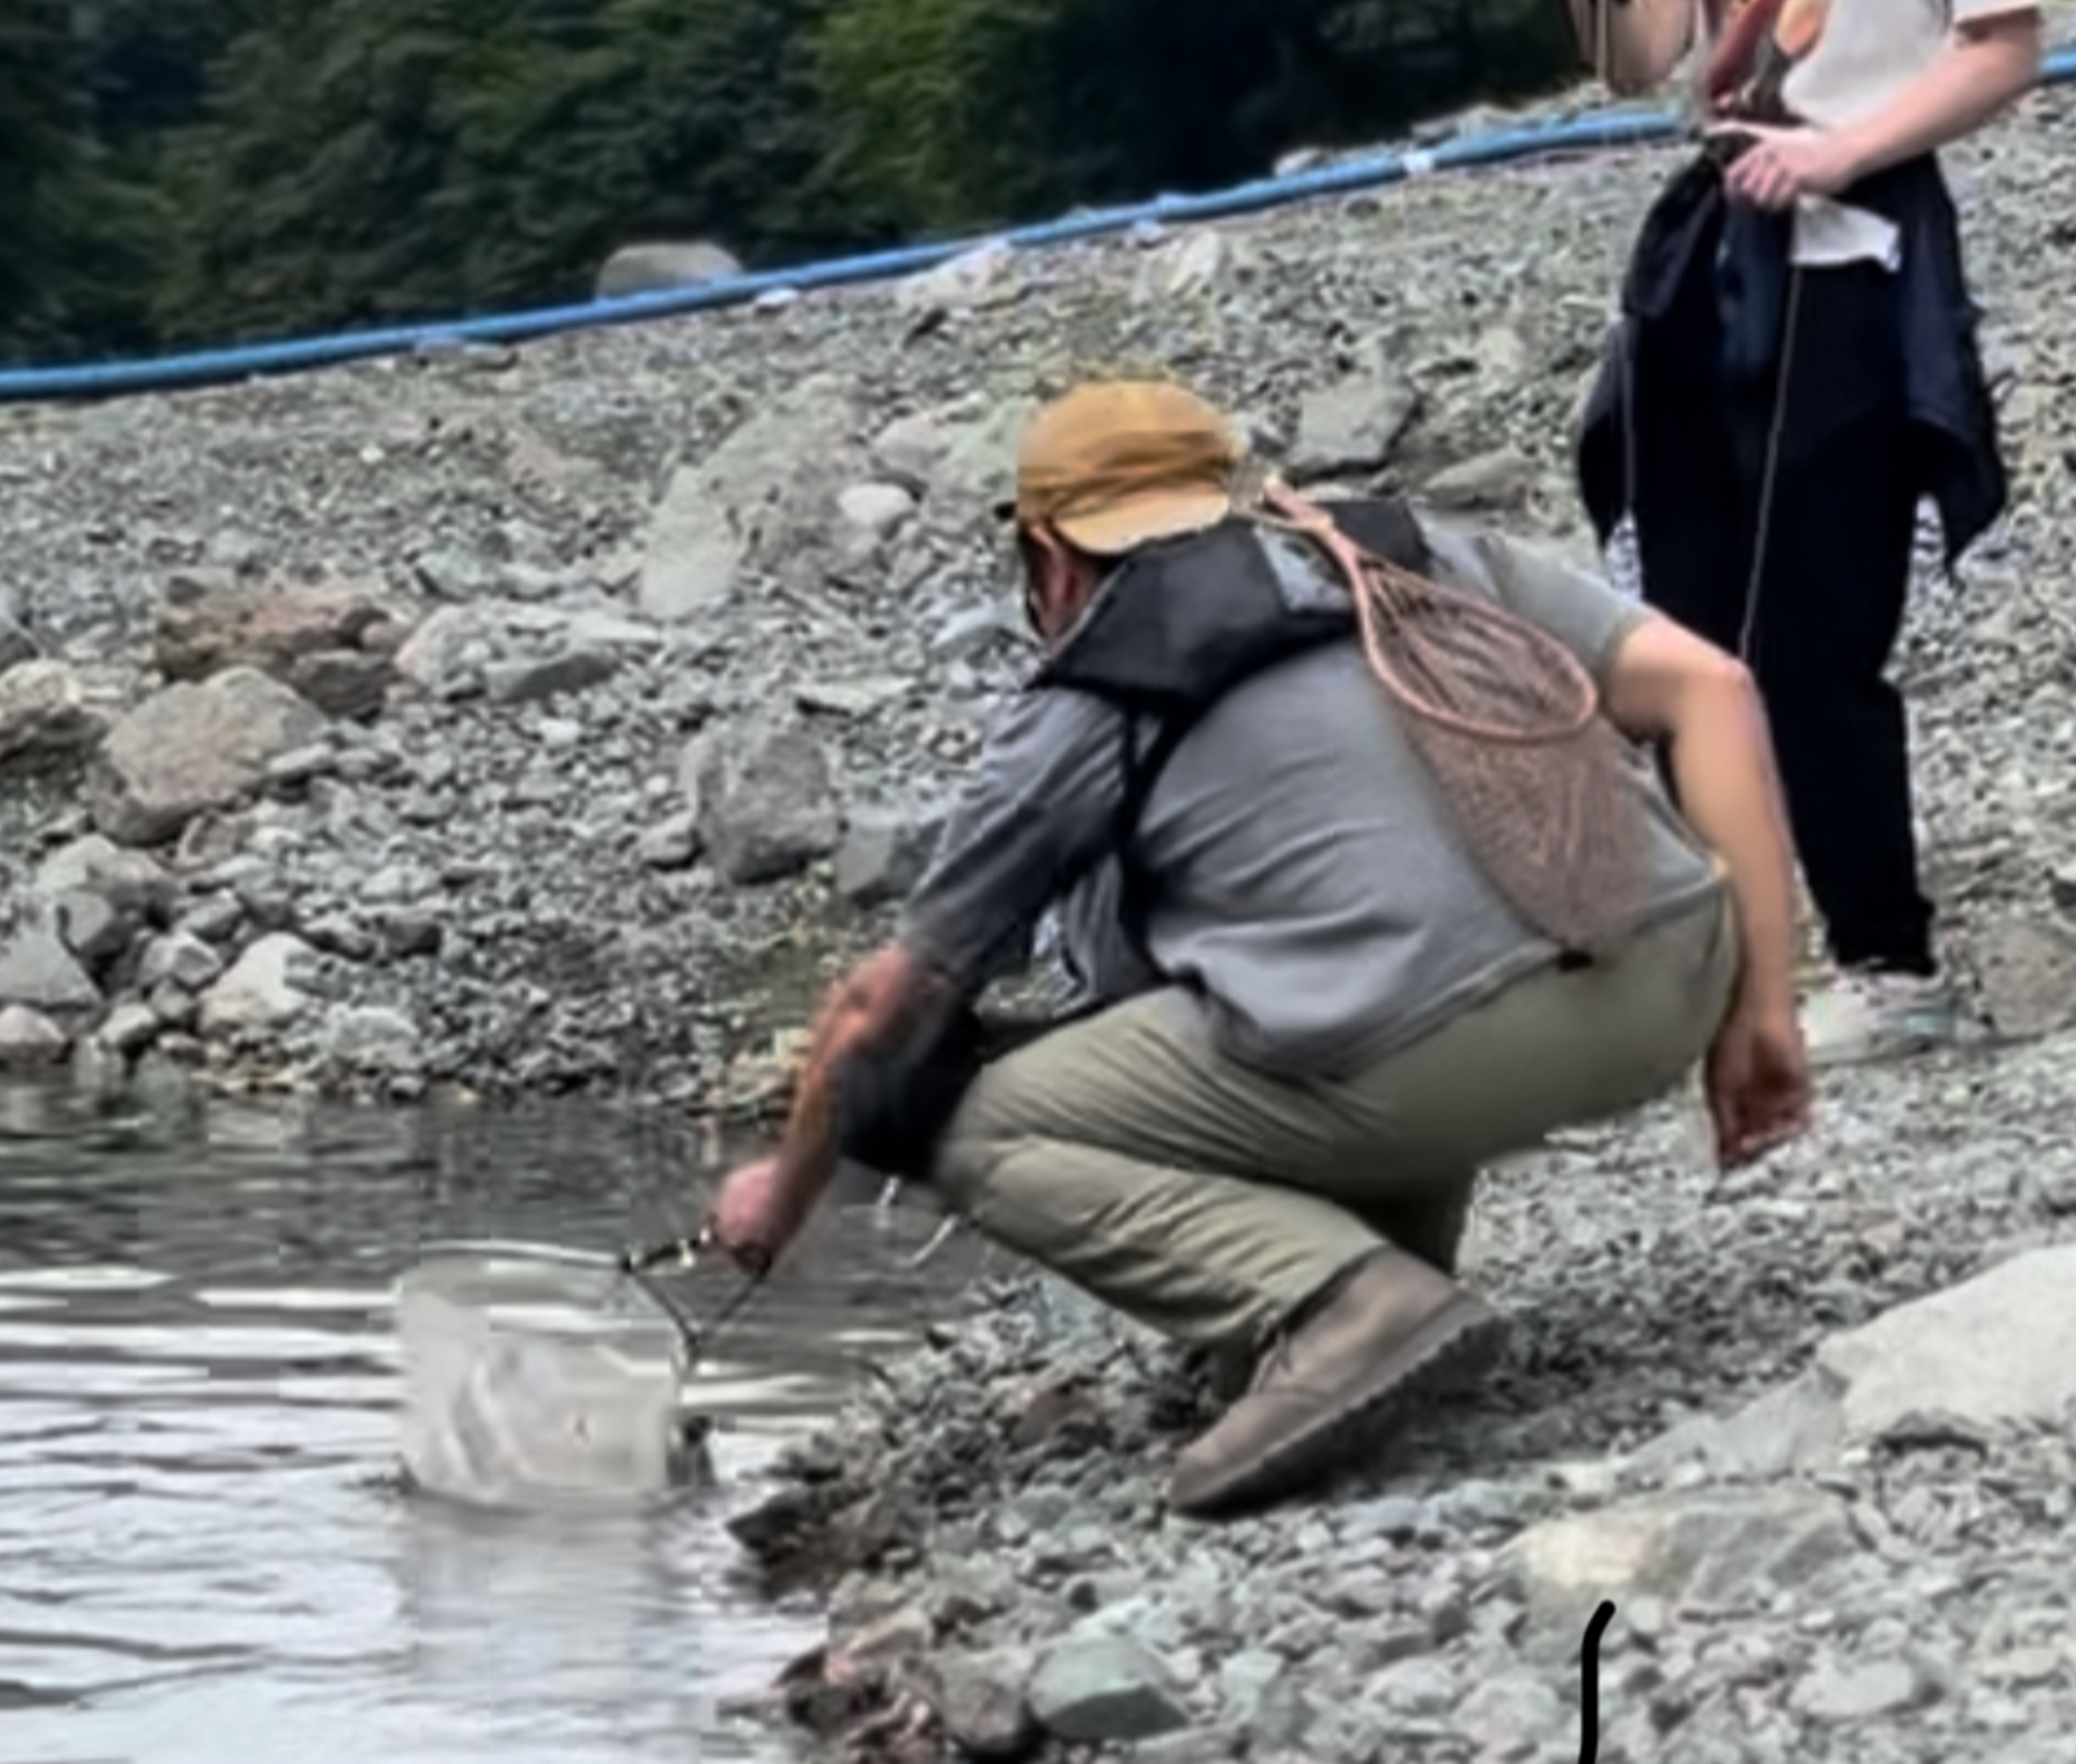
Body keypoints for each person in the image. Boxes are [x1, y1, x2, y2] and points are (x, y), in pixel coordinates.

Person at [705, 376, 1813, 1519]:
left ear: (1051, 559)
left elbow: (884, 1009)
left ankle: (1347, 1303)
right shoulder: (1412, 553)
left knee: (968, 1120)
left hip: (1432, 1055)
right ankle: (1377, 1283)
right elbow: (1715, 689)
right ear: (1236, 498)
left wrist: (780, 1194)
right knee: (1324, 954)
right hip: (1668, 982)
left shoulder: (1088, 695)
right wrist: (1765, 1008)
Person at [1539, 0, 2043, 1067]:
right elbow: (1631, 58)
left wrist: (1841, 147)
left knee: (1815, 630)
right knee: (1690, 624)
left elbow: (2004, 45)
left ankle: (1892, 965)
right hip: (1713, 258)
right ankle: (1733, 958)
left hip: (1856, 261)